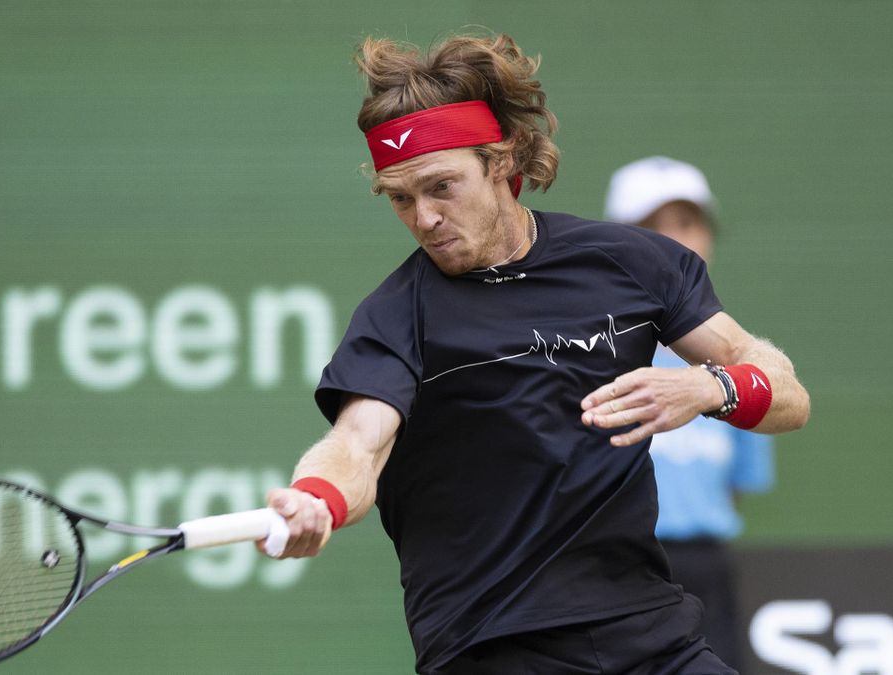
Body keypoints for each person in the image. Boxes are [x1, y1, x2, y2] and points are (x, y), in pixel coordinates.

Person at [257, 33, 810, 675]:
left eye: (442, 187)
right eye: (400, 198)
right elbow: (358, 445)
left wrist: (709, 387)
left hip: (652, 637)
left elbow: (787, 396)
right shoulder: (394, 314)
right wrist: (317, 497)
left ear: (502, 160)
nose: (424, 217)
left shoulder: (632, 264)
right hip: (492, 650)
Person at [604, 156, 776, 672]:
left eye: (686, 223)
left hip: (705, 567)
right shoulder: (588, 350)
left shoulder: (737, 356)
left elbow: (740, 480)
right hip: (615, 567)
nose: (673, 242)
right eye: (651, 228)